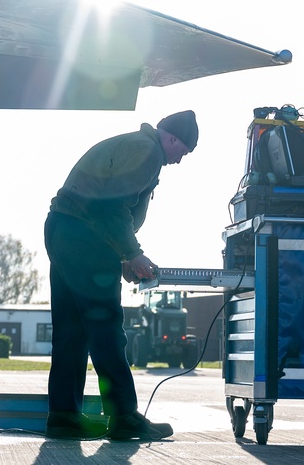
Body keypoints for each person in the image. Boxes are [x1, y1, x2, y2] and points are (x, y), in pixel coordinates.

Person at [43, 110, 198, 440]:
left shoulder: (133, 144)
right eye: (182, 152)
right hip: (83, 235)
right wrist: (132, 253)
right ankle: (124, 416)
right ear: (171, 139)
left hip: (64, 230)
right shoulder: (148, 151)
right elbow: (112, 207)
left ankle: (64, 415)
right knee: (105, 326)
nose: (180, 160)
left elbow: (101, 204)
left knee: (72, 329)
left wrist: (122, 258)